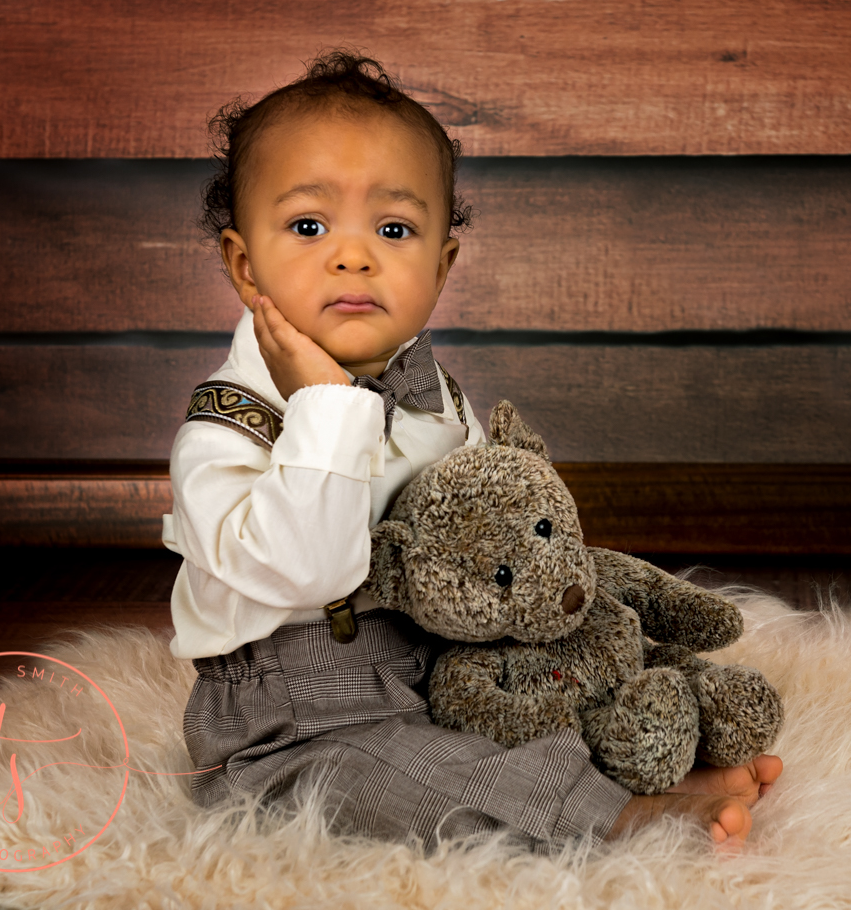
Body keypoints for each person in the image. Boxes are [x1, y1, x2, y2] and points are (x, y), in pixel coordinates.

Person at [163, 50, 781, 850]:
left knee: (534, 693)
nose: (354, 255)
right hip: (293, 715)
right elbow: (313, 568)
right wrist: (325, 405)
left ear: (442, 266)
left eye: (394, 228)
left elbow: (490, 531)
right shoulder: (226, 426)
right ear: (246, 267)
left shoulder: (437, 395)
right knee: (402, 775)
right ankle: (608, 818)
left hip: (434, 664)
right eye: (309, 225)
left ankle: (620, 763)